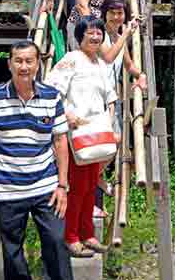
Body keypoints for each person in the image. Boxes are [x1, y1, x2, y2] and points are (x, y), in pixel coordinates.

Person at [0, 40, 72, 280]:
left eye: (29, 61)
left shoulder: (51, 97)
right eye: (18, 61)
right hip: (7, 189)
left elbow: (60, 141)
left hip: (46, 187)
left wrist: (62, 185)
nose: (24, 66)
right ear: (9, 64)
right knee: (12, 252)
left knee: (56, 242)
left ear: (38, 64)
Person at [46, 16, 117, 257]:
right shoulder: (70, 60)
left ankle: (88, 234)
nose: (96, 37)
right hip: (75, 134)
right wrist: (67, 113)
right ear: (80, 36)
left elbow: (109, 96)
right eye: (90, 32)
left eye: (99, 32)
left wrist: (109, 119)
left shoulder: (99, 63)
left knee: (89, 186)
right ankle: (71, 237)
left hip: (95, 133)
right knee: (75, 187)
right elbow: (51, 90)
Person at [100, 0, 147, 134]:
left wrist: (141, 75)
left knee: (116, 140)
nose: (115, 17)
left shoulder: (120, 38)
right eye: (111, 13)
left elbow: (129, 65)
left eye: (119, 13)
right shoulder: (98, 35)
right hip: (97, 98)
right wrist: (127, 34)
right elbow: (108, 57)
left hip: (112, 97)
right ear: (105, 14)